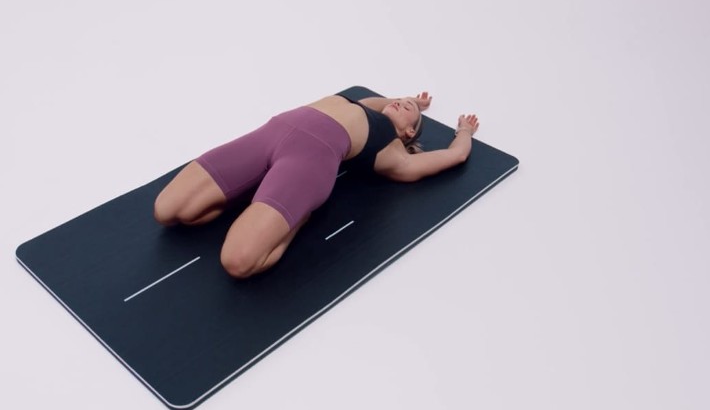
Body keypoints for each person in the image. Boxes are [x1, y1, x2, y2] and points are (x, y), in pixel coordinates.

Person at [153, 88, 480, 279]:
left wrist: (463, 130)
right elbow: (385, 101)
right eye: (401, 98)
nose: (401, 101)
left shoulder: (394, 154)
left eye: (408, 108)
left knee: (237, 261)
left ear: (409, 133)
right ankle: (252, 191)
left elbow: (455, 157)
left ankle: (298, 218)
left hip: (308, 164)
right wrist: (417, 105)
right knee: (166, 210)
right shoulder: (367, 104)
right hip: (269, 135)